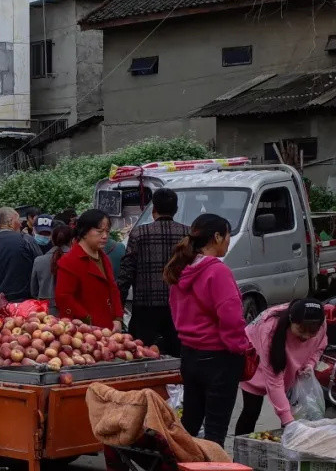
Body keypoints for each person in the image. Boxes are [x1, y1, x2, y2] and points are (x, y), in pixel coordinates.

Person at [165, 213, 250, 445]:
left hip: (190, 355)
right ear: (217, 236)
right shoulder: (218, 271)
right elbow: (232, 319)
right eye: (228, 235)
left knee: (191, 424)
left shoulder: (181, 268)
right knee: (215, 430)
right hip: (219, 358)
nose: (228, 241)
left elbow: (175, 312)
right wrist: (239, 348)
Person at [235, 299, 327, 435]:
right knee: (251, 410)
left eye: (312, 333)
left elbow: (320, 345)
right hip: (256, 360)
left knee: (294, 411)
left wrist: (310, 364)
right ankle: (240, 452)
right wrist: (289, 423)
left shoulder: (320, 323)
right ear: (291, 321)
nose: (306, 336)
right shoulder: (270, 330)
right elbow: (274, 382)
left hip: (290, 362)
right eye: (301, 330)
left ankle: (288, 448)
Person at [117, 188, 189, 355]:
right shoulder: (187, 233)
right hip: (179, 307)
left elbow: (127, 272)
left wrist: (119, 304)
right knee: (177, 354)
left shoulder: (138, 233)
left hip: (145, 307)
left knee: (145, 355)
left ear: (153, 209)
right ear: (176, 209)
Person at [54, 209, 124, 330]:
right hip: (83, 331)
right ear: (84, 232)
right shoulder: (70, 260)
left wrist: (118, 318)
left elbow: (113, 289)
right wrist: (88, 321)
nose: (105, 236)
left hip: (108, 328)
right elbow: (64, 297)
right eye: (99, 231)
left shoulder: (104, 257)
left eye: (107, 231)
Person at [0, 207, 43, 302]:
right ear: (10, 221)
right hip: (25, 303)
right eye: (18, 219)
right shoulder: (26, 240)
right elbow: (40, 267)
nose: (21, 223)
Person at [30, 224, 73, 315]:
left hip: (45, 313)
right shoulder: (77, 260)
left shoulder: (39, 261)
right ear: (71, 240)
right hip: (71, 312)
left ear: (52, 240)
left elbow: (34, 291)